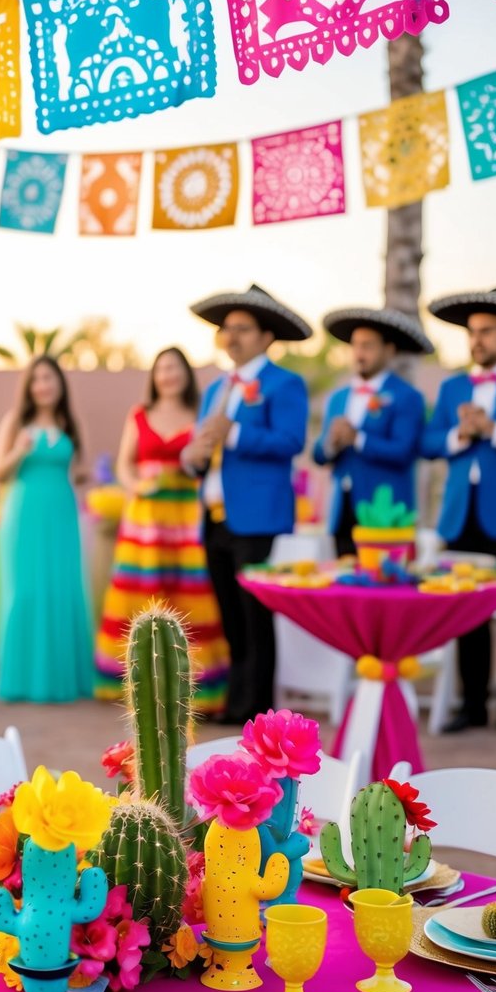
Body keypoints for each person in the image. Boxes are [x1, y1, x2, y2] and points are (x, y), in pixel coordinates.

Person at [181, 284, 311, 725]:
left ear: (265, 336)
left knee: (255, 619)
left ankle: (256, 711)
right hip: (216, 517)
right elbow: (203, 442)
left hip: (258, 518)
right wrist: (194, 458)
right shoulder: (216, 387)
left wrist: (232, 432)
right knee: (231, 619)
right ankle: (237, 704)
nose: (231, 336)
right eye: (227, 328)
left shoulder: (284, 383)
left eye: (242, 328)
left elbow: (291, 441)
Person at [423, 286, 496, 732]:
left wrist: (495, 429)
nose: (477, 340)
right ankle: (470, 706)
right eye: (472, 332)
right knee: (465, 612)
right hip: (458, 514)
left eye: (487, 331)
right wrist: (460, 436)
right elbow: (429, 442)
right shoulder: (452, 387)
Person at [95, 347, 229, 712]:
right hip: (146, 517)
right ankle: (138, 681)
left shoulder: (200, 415)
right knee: (142, 594)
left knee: (187, 595)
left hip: (186, 514)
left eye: (175, 367)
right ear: (153, 376)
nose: (168, 374)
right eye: (162, 368)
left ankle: (193, 684)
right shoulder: (139, 415)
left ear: (186, 373)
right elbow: (124, 464)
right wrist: (136, 485)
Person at [0, 355, 93, 702]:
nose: (43, 385)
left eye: (49, 378)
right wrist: (18, 451)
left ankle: (66, 679)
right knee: (26, 591)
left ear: (60, 383)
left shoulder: (70, 423)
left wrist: (84, 476)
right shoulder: (15, 422)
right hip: (25, 514)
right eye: (37, 379)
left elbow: (81, 469)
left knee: (63, 589)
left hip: (62, 513)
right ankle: (22, 681)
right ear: (28, 386)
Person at [313, 308, 432, 556]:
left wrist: (358, 439)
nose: (359, 353)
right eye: (355, 346)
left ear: (388, 350)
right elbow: (318, 455)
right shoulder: (338, 397)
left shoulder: (406, 396)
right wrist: (332, 443)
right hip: (341, 510)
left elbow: (404, 452)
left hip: (386, 513)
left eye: (367, 346)